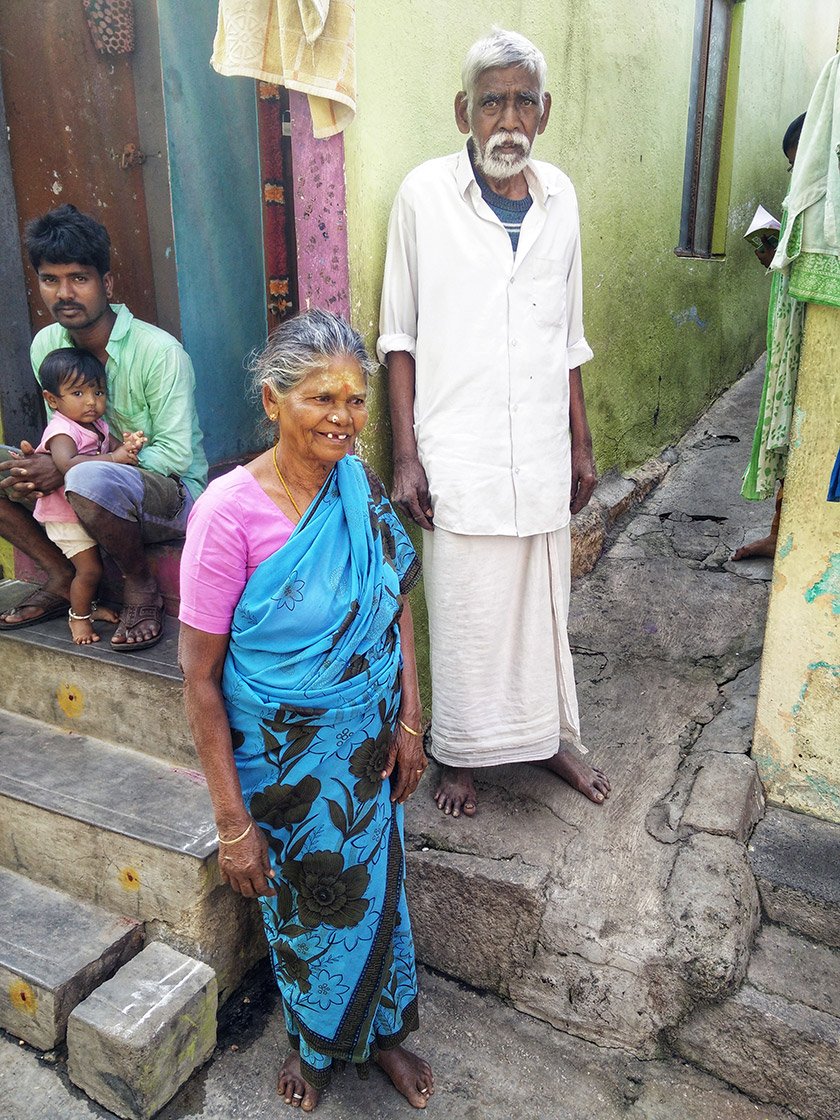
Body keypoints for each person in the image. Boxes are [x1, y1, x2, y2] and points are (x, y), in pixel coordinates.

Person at [178, 309, 434, 1112]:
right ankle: (314, 1045)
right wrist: (230, 822)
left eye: (356, 401)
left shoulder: (356, 485)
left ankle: (385, 1034)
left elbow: (394, 608)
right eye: (322, 399)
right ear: (271, 400)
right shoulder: (227, 514)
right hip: (282, 768)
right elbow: (199, 681)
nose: (344, 419)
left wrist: (411, 723)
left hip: (365, 753)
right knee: (305, 910)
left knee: (379, 893)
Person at [378, 28, 611, 819]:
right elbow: (398, 337)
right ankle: (461, 753)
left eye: (521, 101)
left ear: (542, 113)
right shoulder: (422, 197)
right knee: (467, 604)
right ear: (462, 112)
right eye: (490, 102)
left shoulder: (562, 198)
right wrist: (404, 455)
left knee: (542, 601)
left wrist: (581, 442)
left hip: (540, 442)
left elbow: (568, 335)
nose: (506, 118)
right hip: (460, 446)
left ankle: (546, 739)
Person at [0, 204, 207, 650]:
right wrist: (41, 461)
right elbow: (63, 426)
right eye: (50, 280)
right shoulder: (46, 345)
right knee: (6, 466)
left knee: (87, 475)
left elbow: (175, 455)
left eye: (79, 278)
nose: (64, 293)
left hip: (168, 496)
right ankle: (60, 577)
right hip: (83, 484)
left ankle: (141, 587)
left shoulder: (159, 353)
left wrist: (72, 467)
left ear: (106, 283)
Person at [31, 347, 147, 644]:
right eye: (78, 394)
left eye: (97, 392)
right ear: (52, 400)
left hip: (84, 510)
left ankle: (91, 608)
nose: (92, 402)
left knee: (100, 564)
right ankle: (78, 619)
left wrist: (130, 445)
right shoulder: (61, 431)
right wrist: (115, 459)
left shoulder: (96, 425)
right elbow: (67, 464)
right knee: (89, 569)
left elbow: (113, 448)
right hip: (64, 515)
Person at [733, 112, 806, 562]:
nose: (795, 174)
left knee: (791, 429)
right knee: (783, 424)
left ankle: (787, 532)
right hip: (788, 326)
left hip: (804, 331)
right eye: (791, 167)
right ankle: (779, 531)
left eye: (799, 164)